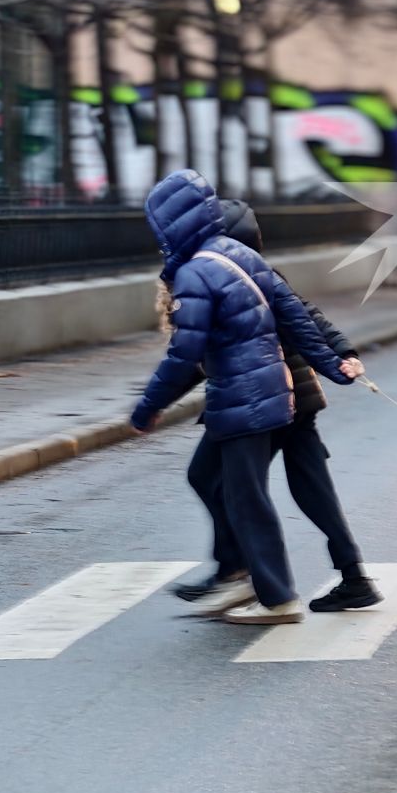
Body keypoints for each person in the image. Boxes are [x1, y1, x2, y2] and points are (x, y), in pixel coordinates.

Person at [130, 170, 357, 625]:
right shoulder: (237, 255)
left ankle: (275, 597)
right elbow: (294, 315)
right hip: (270, 390)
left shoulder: (196, 272)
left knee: (246, 499)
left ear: (170, 224)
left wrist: (148, 406)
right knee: (229, 487)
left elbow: (185, 352)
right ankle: (249, 580)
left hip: (243, 397)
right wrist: (335, 365)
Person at [174, 199, 381, 615]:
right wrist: (343, 351)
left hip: (263, 401)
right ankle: (353, 575)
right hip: (294, 397)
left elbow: (206, 350)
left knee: (221, 482)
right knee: (311, 491)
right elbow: (309, 318)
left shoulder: (235, 276)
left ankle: (240, 573)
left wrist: (158, 397)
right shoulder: (255, 272)